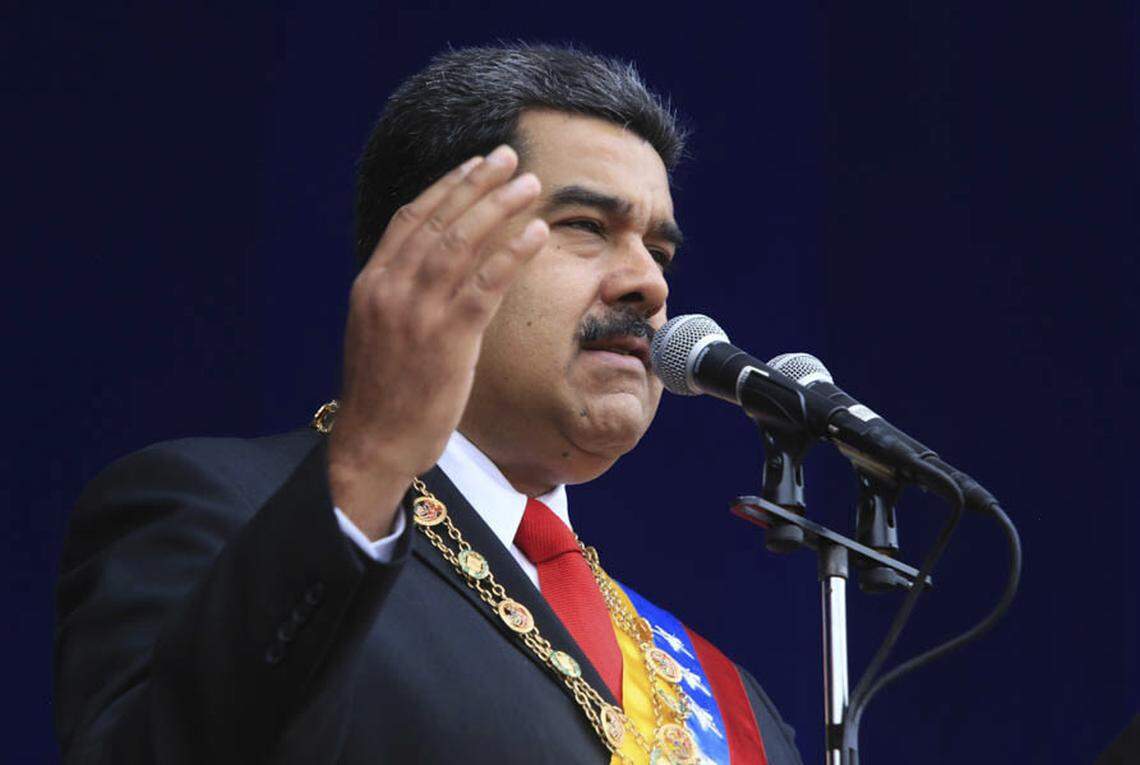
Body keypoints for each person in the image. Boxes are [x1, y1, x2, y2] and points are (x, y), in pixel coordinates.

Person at [54, 44, 804, 764]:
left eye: (661, 252)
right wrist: (369, 464)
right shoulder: (216, 512)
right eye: (586, 227)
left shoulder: (732, 706)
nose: (650, 283)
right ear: (429, 247)